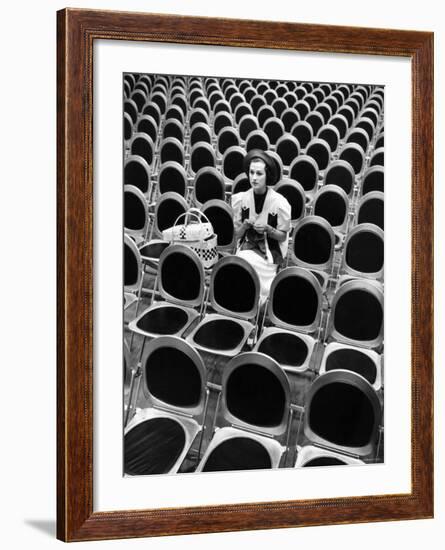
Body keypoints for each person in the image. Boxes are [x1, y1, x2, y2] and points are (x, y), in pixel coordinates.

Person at [231, 149, 291, 303]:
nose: (254, 178)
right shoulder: (241, 199)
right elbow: (236, 235)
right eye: (251, 173)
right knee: (241, 262)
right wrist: (244, 227)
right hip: (246, 248)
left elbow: (283, 236)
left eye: (259, 174)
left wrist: (268, 229)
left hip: (268, 253)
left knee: (246, 266)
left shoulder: (279, 202)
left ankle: (254, 304)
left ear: (267, 176)